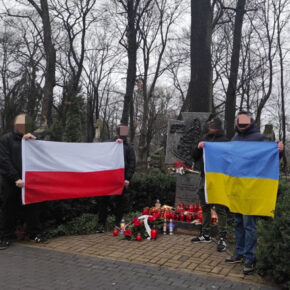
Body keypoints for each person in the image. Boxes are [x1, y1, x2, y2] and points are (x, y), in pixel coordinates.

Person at [225, 111, 284, 275]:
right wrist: (207, 146)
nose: (241, 125)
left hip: (251, 190)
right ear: (236, 123)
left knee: (249, 225)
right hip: (236, 188)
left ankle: (250, 260)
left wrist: (279, 150)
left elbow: (271, 157)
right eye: (239, 122)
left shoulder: (259, 139)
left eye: (244, 122)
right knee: (237, 223)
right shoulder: (234, 139)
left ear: (250, 122)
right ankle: (239, 253)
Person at [0, 114, 46, 250]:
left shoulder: (30, 140)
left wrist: (31, 140)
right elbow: (4, 161)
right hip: (11, 182)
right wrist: (15, 178)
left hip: (28, 181)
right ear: (15, 125)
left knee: (33, 208)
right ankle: (5, 236)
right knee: (9, 208)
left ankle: (34, 234)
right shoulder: (5, 140)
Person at [191, 117, 229, 252]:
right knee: (205, 206)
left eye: (212, 125)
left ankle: (222, 238)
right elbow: (194, 156)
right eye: (209, 125)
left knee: (220, 208)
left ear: (218, 127)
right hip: (204, 177)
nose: (209, 127)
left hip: (218, 178)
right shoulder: (204, 138)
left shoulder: (224, 141)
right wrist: (198, 147)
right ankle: (205, 234)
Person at [96, 124, 136, 233]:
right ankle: (101, 225)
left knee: (120, 203)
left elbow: (132, 164)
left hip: (121, 179)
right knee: (103, 202)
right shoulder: (109, 144)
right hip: (107, 179)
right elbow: (100, 153)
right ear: (117, 132)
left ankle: (118, 224)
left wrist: (127, 178)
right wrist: (113, 143)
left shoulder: (129, 147)